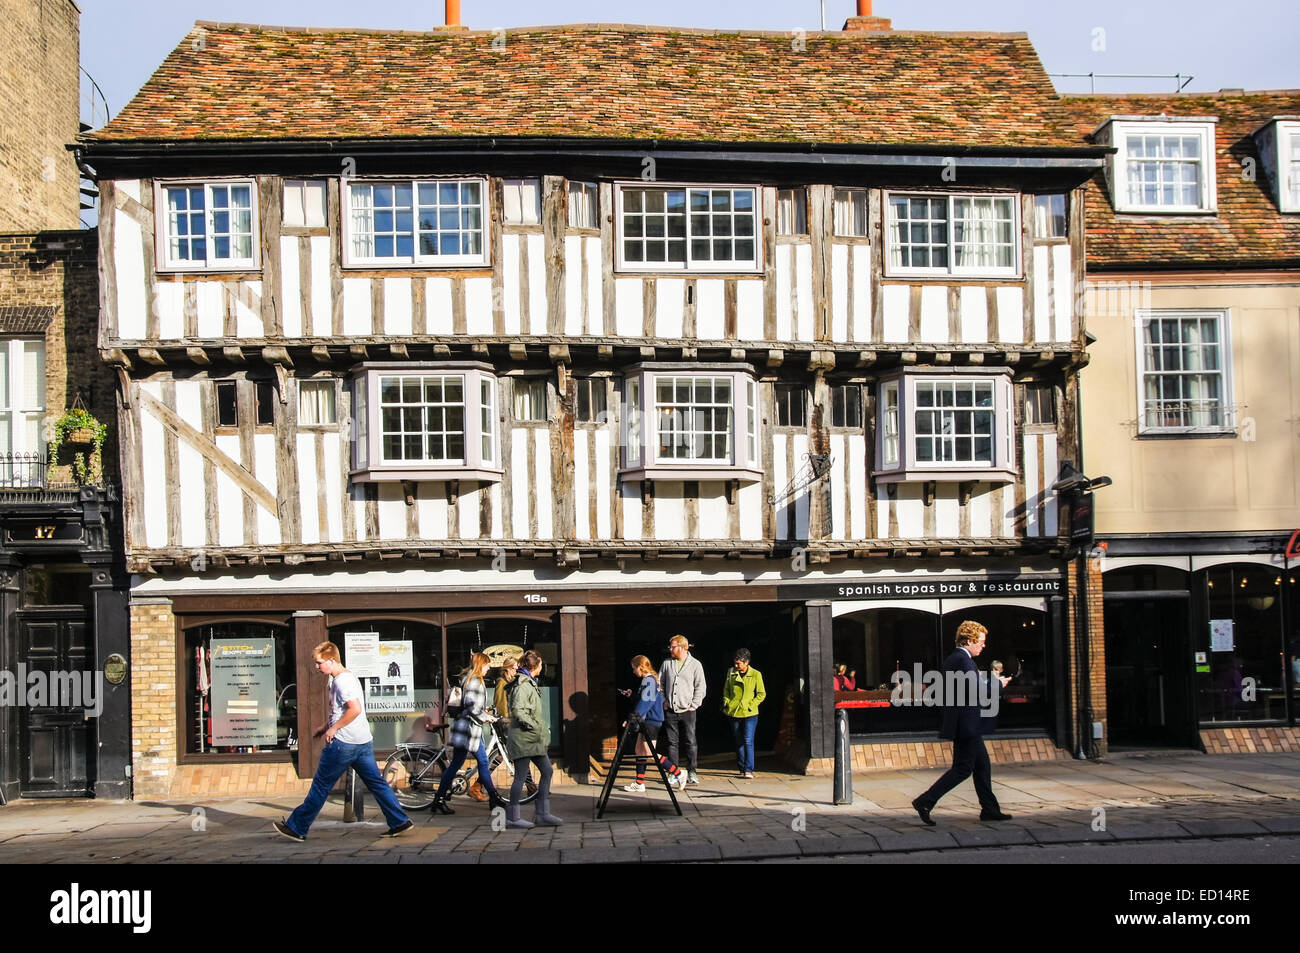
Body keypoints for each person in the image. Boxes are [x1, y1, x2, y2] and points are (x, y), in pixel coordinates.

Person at [273, 642, 413, 841]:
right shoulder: (347, 677)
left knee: (321, 786)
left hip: (344, 744)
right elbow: (341, 710)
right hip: (362, 742)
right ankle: (399, 821)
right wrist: (325, 726)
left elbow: (354, 709)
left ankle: (297, 827)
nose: (317, 667)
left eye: (319, 663)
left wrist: (334, 728)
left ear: (331, 660)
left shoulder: (341, 681)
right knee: (377, 784)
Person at [911, 620, 1012, 825]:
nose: (983, 646)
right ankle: (925, 801)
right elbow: (978, 691)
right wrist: (998, 684)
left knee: (982, 766)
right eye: (981, 642)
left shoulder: (955, 659)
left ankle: (990, 809)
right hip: (967, 724)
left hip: (964, 722)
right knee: (963, 768)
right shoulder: (963, 661)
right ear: (969, 640)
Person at [431, 653, 503, 815]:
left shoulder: (470, 679)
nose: (488, 668)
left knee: (458, 764)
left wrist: (483, 710)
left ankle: (439, 800)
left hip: (467, 728)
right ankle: (494, 798)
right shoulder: (475, 681)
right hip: (469, 730)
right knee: (482, 762)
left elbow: (471, 704)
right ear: (481, 664)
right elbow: (470, 705)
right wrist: (486, 717)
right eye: (487, 665)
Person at [505, 650, 562, 828]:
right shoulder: (522, 684)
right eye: (541, 664)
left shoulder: (529, 682)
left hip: (533, 739)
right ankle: (512, 818)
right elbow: (518, 710)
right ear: (535, 666)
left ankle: (542, 814)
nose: (542, 667)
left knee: (547, 771)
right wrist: (535, 726)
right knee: (520, 776)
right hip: (523, 738)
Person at [621, 655, 688, 793]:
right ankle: (639, 783)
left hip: (651, 721)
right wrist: (632, 695)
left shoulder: (649, 680)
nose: (633, 671)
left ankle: (679, 773)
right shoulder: (649, 680)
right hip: (646, 720)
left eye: (634, 668)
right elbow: (645, 699)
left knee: (649, 753)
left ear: (640, 667)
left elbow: (646, 702)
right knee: (639, 751)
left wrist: (632, 719)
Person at [658, 635, 706, 785]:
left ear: (683, 647)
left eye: (673, 647)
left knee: (690, 741)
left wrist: (694, 704)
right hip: (671, 709)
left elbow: (700, 686)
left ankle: (692, 771)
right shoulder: (667, 663)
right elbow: (660, 684)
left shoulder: (695, 664)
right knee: (672, 742)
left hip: (688, 710)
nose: (670, 649)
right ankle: (674, 772)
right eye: (670, 647)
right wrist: (664, 702)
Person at [721, 648, 766, 779]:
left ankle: (748, 769)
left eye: (738, 663)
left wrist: (751, 705)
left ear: (747, 662)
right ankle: (741, 767)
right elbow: (726, 690)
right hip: (734, 712)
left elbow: (761, 693)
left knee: (748, 740)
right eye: (735, 663)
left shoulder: (756, 674)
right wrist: (727, 701)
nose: (736, 666)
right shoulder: (731, 672)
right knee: (738, 740)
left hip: (750, 713)